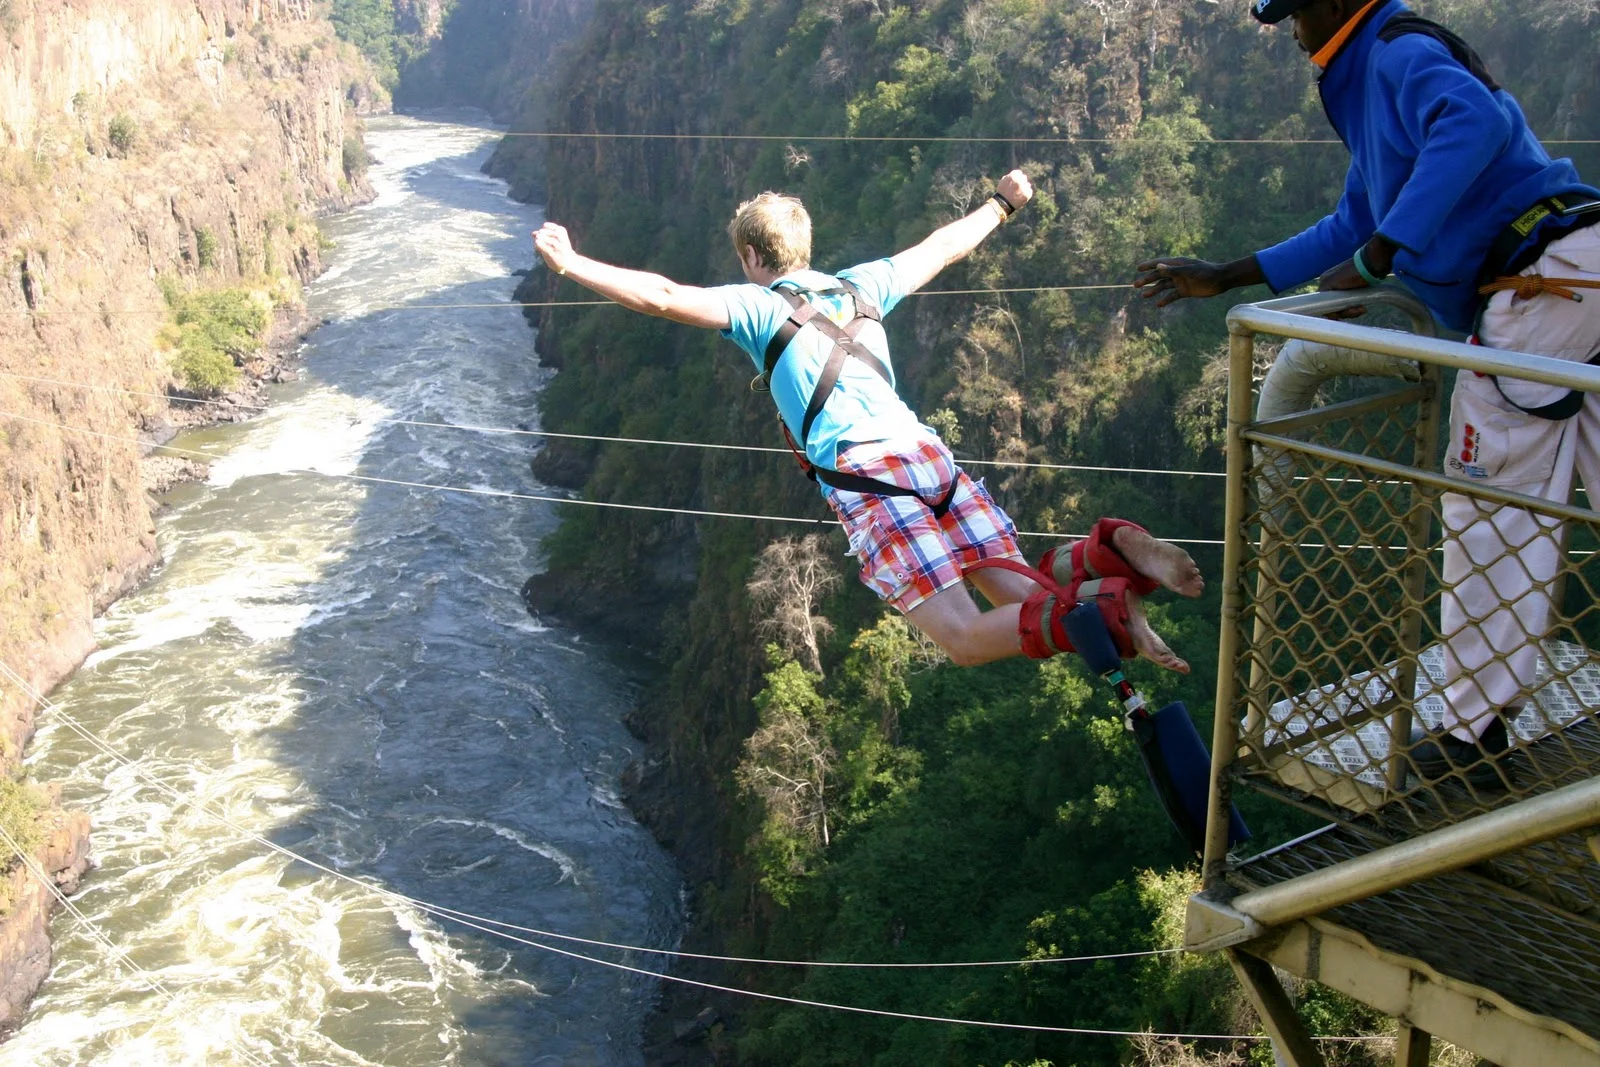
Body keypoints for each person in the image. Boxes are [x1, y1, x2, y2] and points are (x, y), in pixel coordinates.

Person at [1132, 0, 1600, 787]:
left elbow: (1473, 125)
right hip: (1579, 261)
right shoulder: (1372, 74)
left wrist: (1381, 256)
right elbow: (1352, 220)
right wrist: (1228, 275)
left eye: (1293, 14)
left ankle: (1475, 736)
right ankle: (1479, 721)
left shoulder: (1391, 53)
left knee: (1487, 501)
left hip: (1539, 286)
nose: (1290, 34)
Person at [533, 172, 1204, 672]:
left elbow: (663, 297)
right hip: (929, 457)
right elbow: (943, 248)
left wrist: (571, 264)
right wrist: (1002, 203)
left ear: (751, 258)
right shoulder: (863, 284)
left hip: (870, 475)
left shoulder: (759, 307)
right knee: (1019, 593)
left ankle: (1108, 610)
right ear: (805, 246)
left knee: (966, 638)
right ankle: (1109, 556)